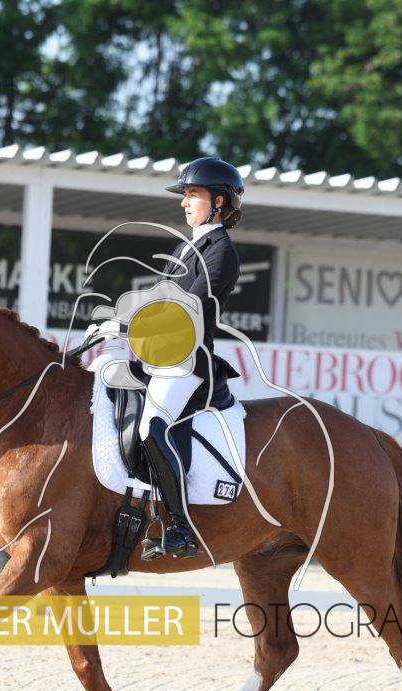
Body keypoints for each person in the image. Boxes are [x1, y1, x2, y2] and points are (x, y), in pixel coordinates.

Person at [136, 156, 244, 559]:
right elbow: (158, 298)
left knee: (152, 428)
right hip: (159, 356)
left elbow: (189, 309)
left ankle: (181, 527)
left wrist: (137, 323)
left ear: (219, 201)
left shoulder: (222, 252)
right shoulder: (185, 246)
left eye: (192, 194)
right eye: (184, 195)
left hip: (187, 361)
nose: (184, 202)